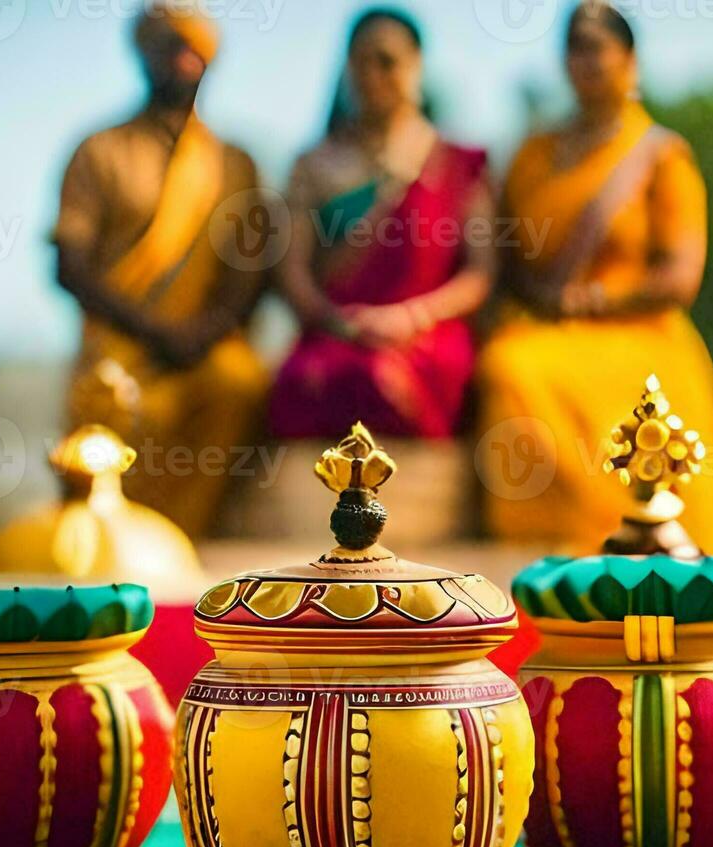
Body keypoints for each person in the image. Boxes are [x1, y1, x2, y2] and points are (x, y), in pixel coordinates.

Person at [476, 1, 713, 556]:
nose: (587, 59)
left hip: (641, 333)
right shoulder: (533, 154)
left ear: (631, 60)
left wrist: (593, 301)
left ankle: (632, 543)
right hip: (545, 330)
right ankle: (551, 558)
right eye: (575, 46)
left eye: (599, 46)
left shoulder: (661, 156)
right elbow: (507, 261)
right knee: (508, 366)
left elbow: (679, 279)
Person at [53, 4, 268, 537]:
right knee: (108, 402)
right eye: (167, 45)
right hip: (122, 343)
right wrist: (154, 332)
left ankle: (187, 549)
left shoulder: (236, 161)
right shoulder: (99, 151)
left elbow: (250, 271)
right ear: (142, 55)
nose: (181, 58)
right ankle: (113, 553)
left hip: (202, 347)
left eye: (193, 46)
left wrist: (199, 333)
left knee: (241, 382)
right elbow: (70, 267)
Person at [270, 7, 495, 440]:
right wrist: (340, 322)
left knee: (385, 379)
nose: (372, 74)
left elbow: (479, 275)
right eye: (360, 61)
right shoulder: (312, 166)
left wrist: (411, 317)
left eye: (387, 61)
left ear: (417, 67)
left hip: (427, 334)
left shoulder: (457, 164)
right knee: (302, 383)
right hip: (335, 332)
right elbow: (292, 272)